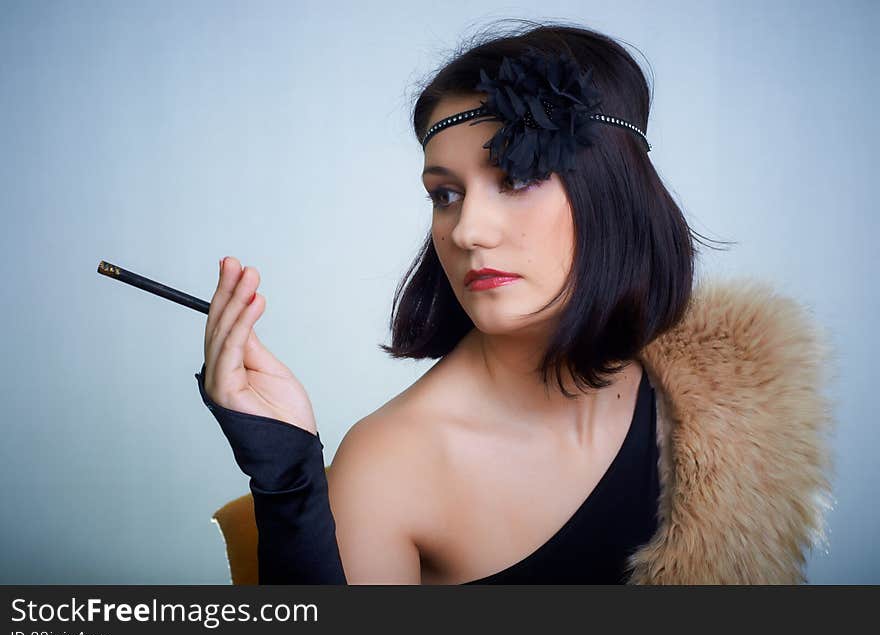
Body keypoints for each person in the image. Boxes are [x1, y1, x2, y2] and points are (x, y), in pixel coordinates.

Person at [195, 20, 836, 584]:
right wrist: (290, 485)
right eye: (445, 194)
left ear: (610, 192)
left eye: (517, 177)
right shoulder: (393, 463)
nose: (468, 230)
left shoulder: (726, 400)